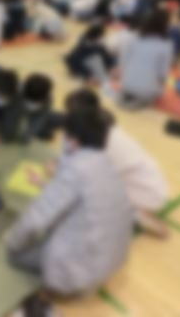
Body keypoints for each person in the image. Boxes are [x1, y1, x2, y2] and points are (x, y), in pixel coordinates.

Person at [5, 108, 133, 297]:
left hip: (77, 274)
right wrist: (45, 184)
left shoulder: (76, 169)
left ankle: (59, 287)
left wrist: (12, 242)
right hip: (113, 259)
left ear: (73, 140)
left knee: (15, 254)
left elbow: (35, 220)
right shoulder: (106, 163)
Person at [65, 89, 169, 237]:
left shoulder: (104, 141)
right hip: (148, 181)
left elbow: (92, 175)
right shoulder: (102, 124)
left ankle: (137, 214)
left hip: (146, 193)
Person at [118, 8, 173, 109]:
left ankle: (131, 97)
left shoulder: (133, 37)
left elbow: (123, 61)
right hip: (146, 91)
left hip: (126, 84)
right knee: (159, 88)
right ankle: (141, 99)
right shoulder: (166, 44)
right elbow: (162, 73)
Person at [0, 74, 62, 144]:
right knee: (8, 130)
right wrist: (7, 134)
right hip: (17, 108)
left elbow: (39, 119)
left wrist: (27, 136)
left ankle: (40, 132)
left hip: (37, 112)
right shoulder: (16, 93)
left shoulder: (48, 100)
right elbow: (10, 116)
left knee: (57, 119)